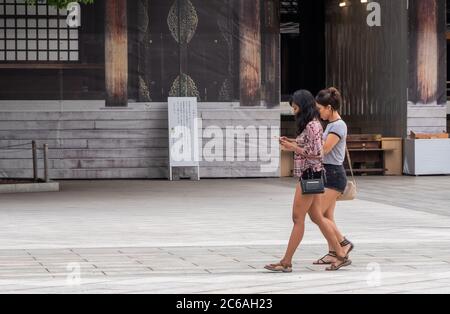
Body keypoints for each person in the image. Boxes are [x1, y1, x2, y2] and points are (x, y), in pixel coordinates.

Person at [264, 90, 351, 273]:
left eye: (295, 107)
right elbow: (310, 146)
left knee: (298, 218)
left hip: (310, 174)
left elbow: (317, 153)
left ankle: (286, 261)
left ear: (302, 107)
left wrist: (292, 146)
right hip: (314, 174)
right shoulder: (313, 125)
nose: (293, 111)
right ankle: (341, 253)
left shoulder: (314, 125)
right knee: (317, 217)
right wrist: (292, 142)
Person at [309, 87, 354, 266]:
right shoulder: (331, 125)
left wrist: (306, 145)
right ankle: (332, 252)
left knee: (316, 215)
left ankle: (343, 244)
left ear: (329, 107)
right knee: (327, 216)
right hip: (328, 173)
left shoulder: (338, 125)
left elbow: (325, 149)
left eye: (320, 109)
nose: (318, 112)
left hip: (333, 175)